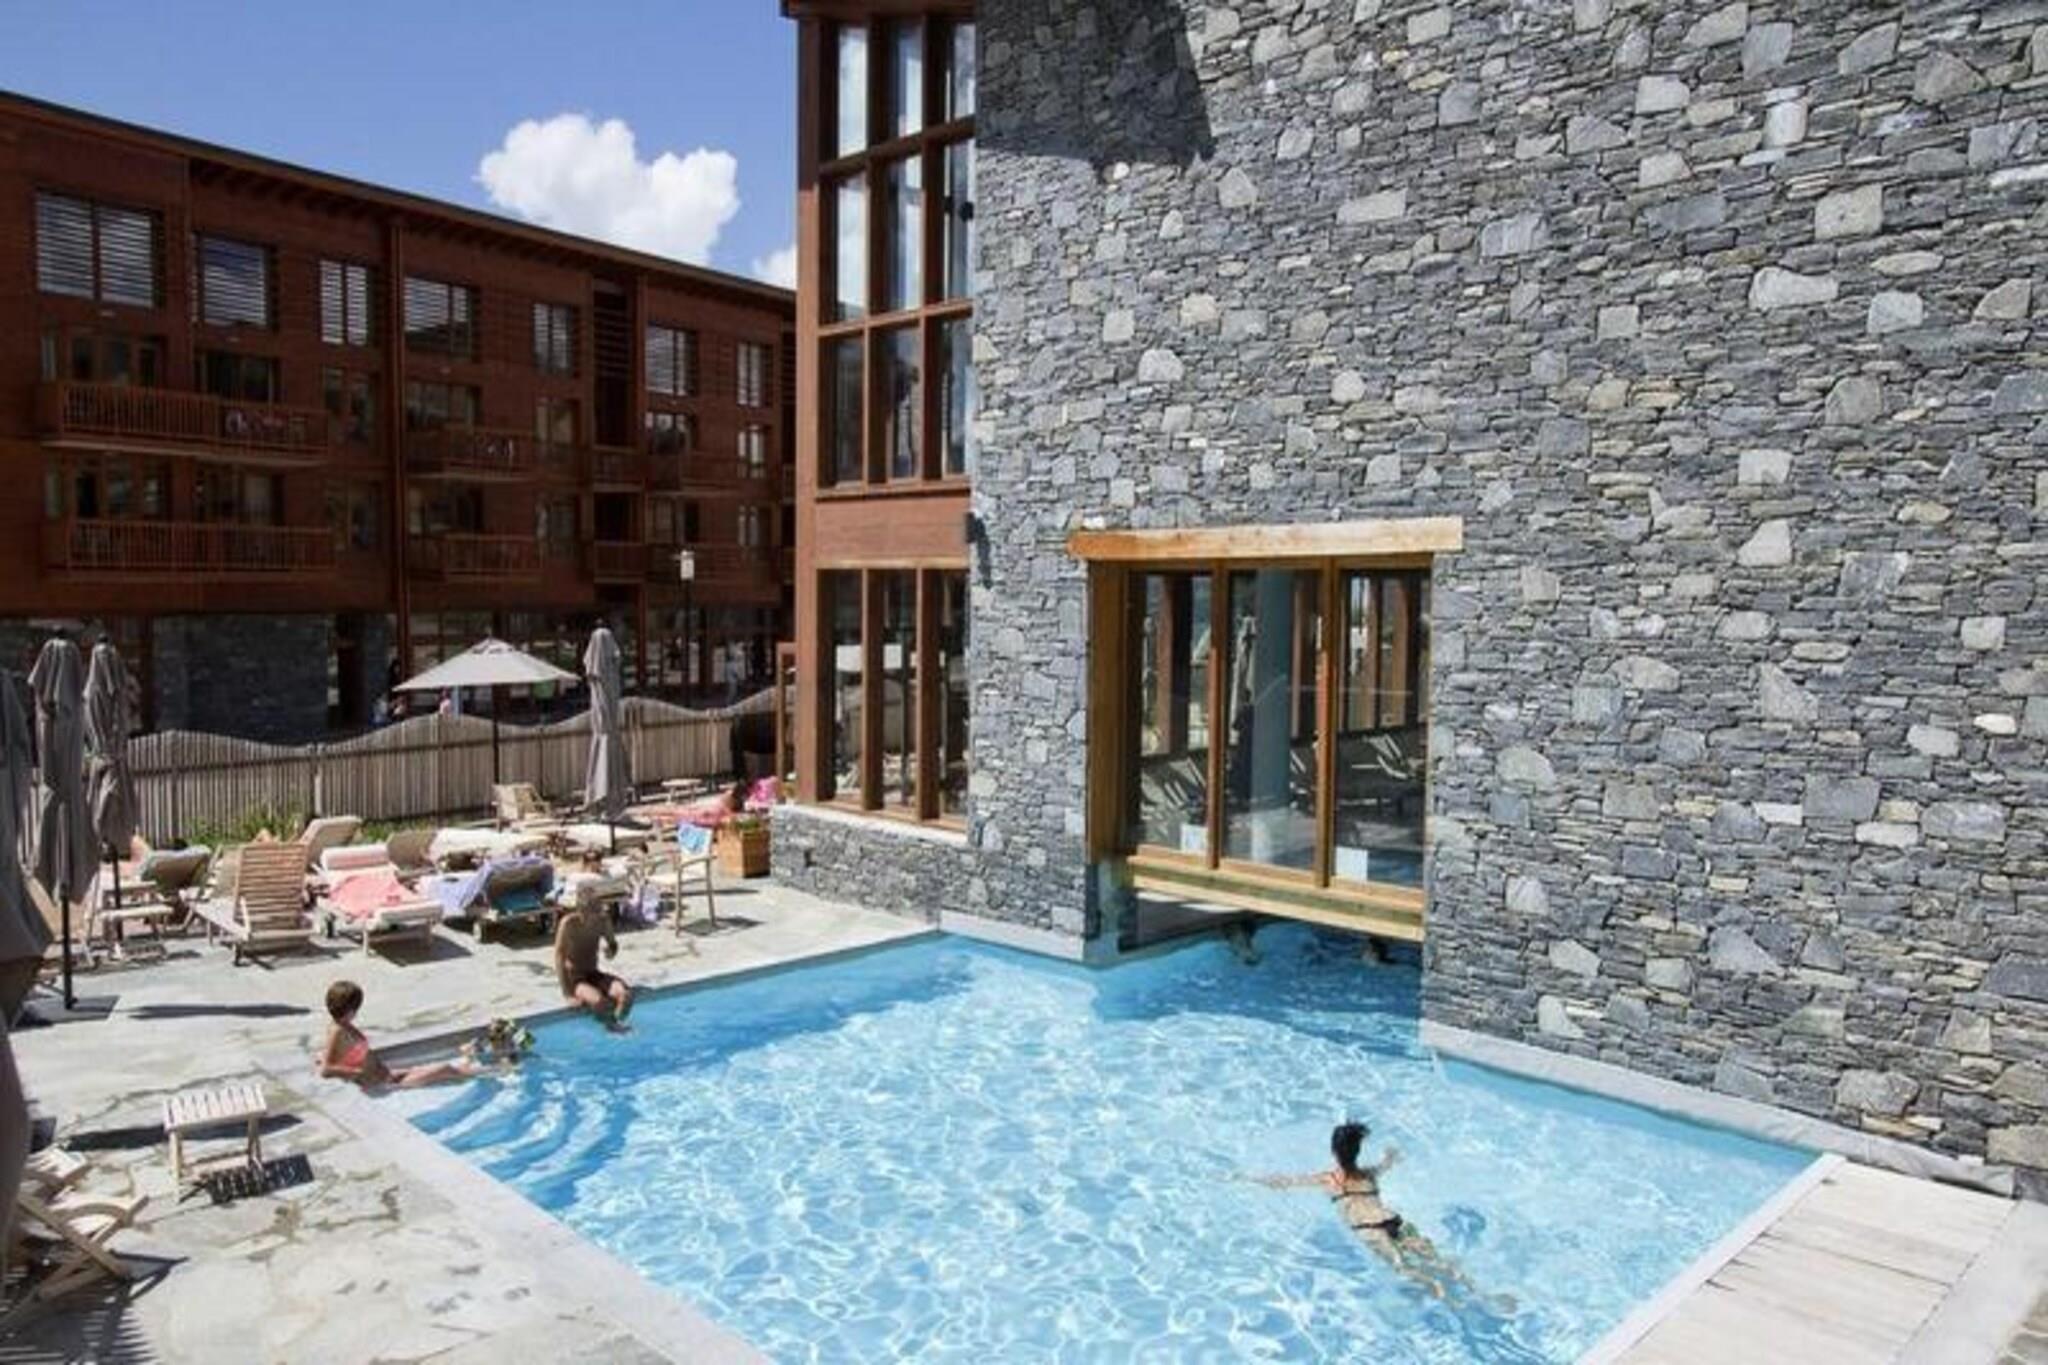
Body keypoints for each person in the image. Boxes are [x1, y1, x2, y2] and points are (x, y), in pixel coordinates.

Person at [1257, 1121, 1482, 1302]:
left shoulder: (1328, 1180)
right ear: (1358, 1151)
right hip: (1395, 1220)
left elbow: (1285, 1182)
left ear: (1334, 1152)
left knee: (1405, 1270)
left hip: (1370, 1230)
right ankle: (1481, 1294)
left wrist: (1251, 1179)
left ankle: (1446, 1297)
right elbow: (1387, 1163)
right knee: (1441, 1263)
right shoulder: (1369, 1174)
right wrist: (1390, 1156)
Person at [318, 981, 481, 1088]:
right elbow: (326, 1069)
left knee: (445, 1070)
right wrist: (358, 1073)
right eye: (356, 1006)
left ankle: (470, 1065)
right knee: (444, 1069)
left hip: (387, 1075)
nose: (357, 1011)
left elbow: (331, 1056)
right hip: (383, 1084)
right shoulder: (337, 1030)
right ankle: (484, 1071)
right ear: (349, 1008)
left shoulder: (343, 1025)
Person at [554, 893, 633, 1030]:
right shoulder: (568, 924)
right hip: (576, 979)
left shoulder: (603, 921)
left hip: (594, 973)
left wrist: (611, 950)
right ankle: (613, 1029)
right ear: (581, 912)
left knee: (626, 996)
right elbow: (559, 956)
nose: (598, 915)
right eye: (594, 912)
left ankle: (616, 1025)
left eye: (599, 910)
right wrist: (567, 994)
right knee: (600, 1003)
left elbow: (613, 944)